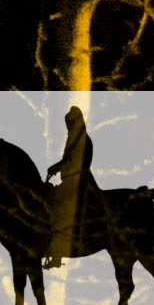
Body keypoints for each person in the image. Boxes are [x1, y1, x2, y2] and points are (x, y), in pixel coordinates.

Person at [44, 106, 100, 268]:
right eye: (67, 123)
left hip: (78, 181)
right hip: (71, 180)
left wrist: (57, 166)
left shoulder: (82, 140)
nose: (68, 127)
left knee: (60, 208)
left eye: (70, 123)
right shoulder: (74, 138)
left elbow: (73, 161)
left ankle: (58, 249)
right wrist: (58, 167)